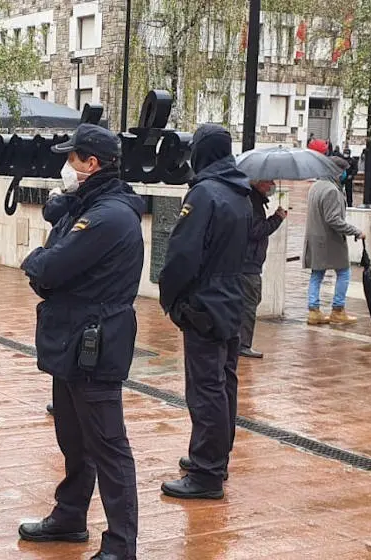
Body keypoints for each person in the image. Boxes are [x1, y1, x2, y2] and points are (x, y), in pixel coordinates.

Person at [17, 124, 143, 560]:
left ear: (92, 163)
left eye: (72, 158)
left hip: (94, 343)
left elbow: (49, 266)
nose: (66, 166)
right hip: (71, 339)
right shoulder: (87, 206)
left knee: (108, 446)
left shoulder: (108, 216)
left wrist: (35, 261)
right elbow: (57, 254)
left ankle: (120, 546)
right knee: (73, 438)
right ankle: (70, 516)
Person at [158, 123, 252, 500]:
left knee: (206, 389)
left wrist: (171, 300)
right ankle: (214, 457)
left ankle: (207, 472)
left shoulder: (204, 195)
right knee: (224, 384)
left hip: (205, 303)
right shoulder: (240, 192)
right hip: (231, 300)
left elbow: (182, 256)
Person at [304, 157, 365, 326]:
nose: (345, 174)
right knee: (344, 272)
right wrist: (356, 231)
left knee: (317, 274)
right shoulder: (331, 190)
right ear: (336, 171)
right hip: (330, 240)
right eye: (343, 170)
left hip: (315, 238)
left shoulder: (315, 187)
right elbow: (333, 220)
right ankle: (338, 310)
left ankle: (313, 310)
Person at [239, 180, 286, 359]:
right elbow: (256, 230)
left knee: (251, 300)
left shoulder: (255, 200)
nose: (272, 186)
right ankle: (243, 344)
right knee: (250, 303)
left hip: (249, 261)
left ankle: (237, 339)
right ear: (259, 183)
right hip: (248, 262)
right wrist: (277, 219)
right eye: (269, 182)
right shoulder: (253, 202)